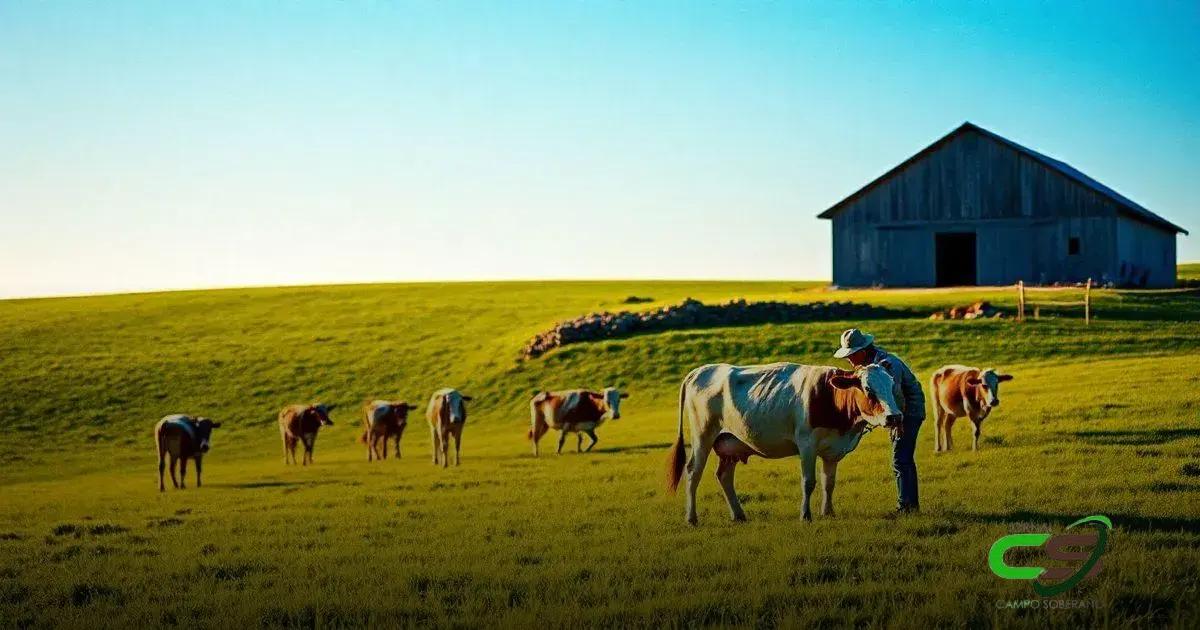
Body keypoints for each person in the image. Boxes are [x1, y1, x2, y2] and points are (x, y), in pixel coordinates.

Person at [833, 328, 924, 513]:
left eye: (851, 355)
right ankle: (910, 506)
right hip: (899, 412)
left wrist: (898, 423)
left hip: (908, 412)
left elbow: (895, 396)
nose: (848, 360)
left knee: (901, 459)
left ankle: (906, 508)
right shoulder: (869, 365)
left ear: (863, 352)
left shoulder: (887, 366)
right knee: (903, 459)